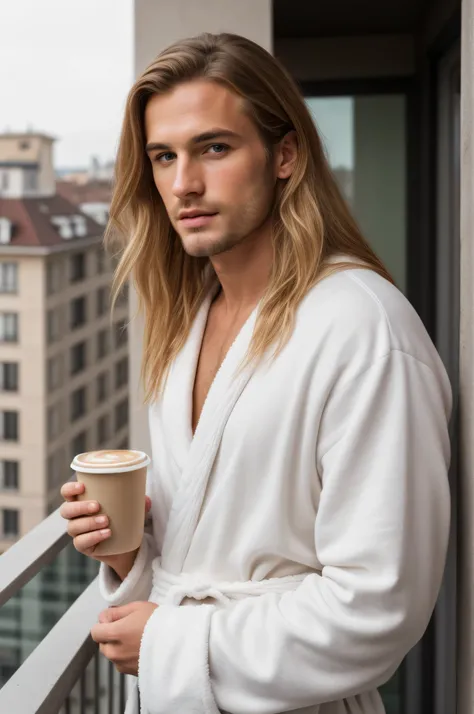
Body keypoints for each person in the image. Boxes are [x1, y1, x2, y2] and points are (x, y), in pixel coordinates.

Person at [60, 32, 452, 714]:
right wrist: (129, 556)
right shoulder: (186, 326)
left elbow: (380, 609)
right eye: (163, 156)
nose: (183, 184)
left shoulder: (364, 330)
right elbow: (205, 563)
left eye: (214, 148)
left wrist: (174, 643)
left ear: (285, 156)